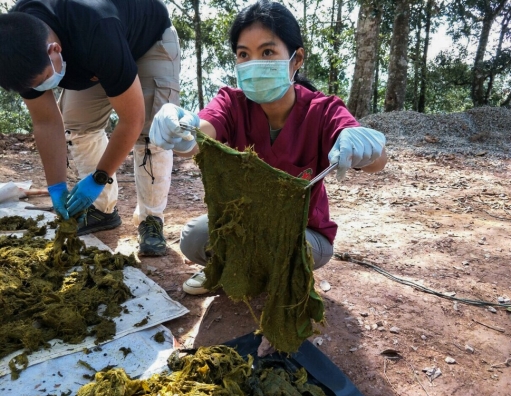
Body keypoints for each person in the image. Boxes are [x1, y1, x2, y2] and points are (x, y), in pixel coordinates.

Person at [149, 0, 387, 293]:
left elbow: (376, 161)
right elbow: (199, 135)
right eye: (243, 54)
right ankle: (243, 270)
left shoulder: (323, 110)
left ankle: (254, 271)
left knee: (288, 247)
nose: (254, 64)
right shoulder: (231, 103)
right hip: (242, 224)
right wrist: (180, 130)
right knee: (195, 238)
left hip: (303, 233)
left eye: (268, 52)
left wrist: (369, 148)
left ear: (297, 59)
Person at [0, 0, 181, 256]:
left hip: (147, 40)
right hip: (96, 57)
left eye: (43, 82)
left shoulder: (96, 30)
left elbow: (132, 119)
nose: (42, 90)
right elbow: (45, 121)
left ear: (54, 50)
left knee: (152, 133)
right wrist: (56, 187)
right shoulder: (18, 45)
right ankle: (102, 209)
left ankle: (151, 219)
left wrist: (98, 177)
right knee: (78, 126)